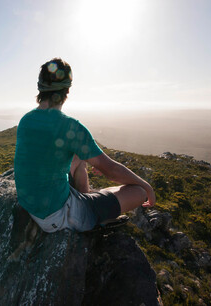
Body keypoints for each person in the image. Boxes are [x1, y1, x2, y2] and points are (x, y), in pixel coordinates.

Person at [14, 58, 156, 233]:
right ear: (67, 90)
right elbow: (110, 169)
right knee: (138, 192)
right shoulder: (69, 126)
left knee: (79, 157)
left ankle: (86, 198)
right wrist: (147, 186)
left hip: (31, 204)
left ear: (40, 87)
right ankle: (92, 219)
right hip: (56, 215)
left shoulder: (26, 120)